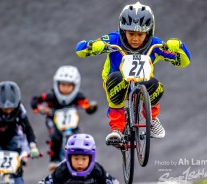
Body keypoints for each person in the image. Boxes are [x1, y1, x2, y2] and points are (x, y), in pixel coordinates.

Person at [75, 2, 191, 143]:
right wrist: (94, 46)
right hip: (115, 81)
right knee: (117, 80)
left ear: (148, 32)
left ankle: (152, 119)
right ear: (123, 30)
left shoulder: (156, 44)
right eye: (131, 34)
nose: (135, 39)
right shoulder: (112, 40)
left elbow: (184, 61)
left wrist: (179, 46)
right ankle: (117, 128)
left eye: (140, 34)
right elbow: (80, 50)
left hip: (142, 81)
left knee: (155, 85)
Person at [31, 65, 97, 171]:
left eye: (68, 85)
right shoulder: (50, 96)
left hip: (71, 122)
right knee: (55, 136)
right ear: (57, 84)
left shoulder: (79, 96)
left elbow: (87, 105)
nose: (65, 88)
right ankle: (54, 159)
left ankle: (80, 159)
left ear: (75, 86)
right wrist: (40, 108)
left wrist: (90, 107)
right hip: (53, 120)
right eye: (63, 85)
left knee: (79, 137)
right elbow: (35, 100)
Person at [38, 133, 119, 184]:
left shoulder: (97, 170)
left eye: (84, 159)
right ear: (68, 158)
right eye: (76, 159)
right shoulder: (61, 171)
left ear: (91, 158)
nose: (80, 163)